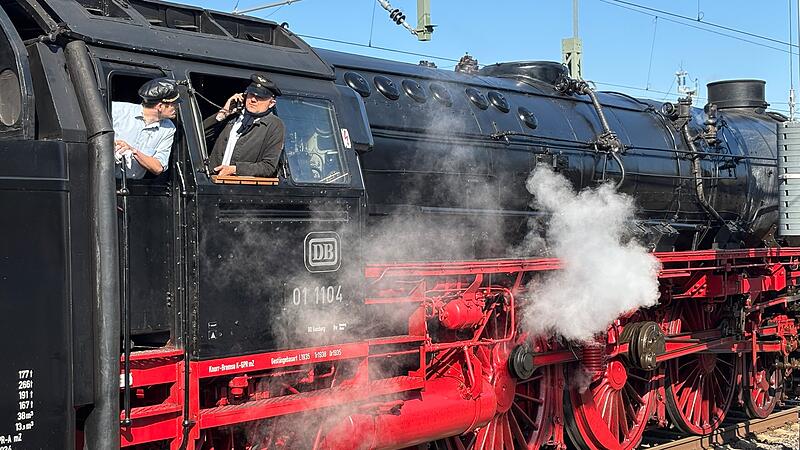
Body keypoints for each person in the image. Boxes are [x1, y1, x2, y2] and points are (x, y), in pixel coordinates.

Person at [205, 73, 285, 178]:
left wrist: (235, 169)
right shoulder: (232, 115)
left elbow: (268, 167)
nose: (253, 100)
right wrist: (223, 113)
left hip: (240, 187)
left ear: (271, 103)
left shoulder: (274, 125)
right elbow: (198, 138)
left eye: (260, 97)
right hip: (213, 180)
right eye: (251, 94)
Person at [112, 78, 181, 179]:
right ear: (160, 106)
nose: (177, 107)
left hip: (132, 187)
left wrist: (133, 151)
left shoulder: (169, 128)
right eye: (173, 105)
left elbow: (158, 168)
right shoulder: (116, 110)